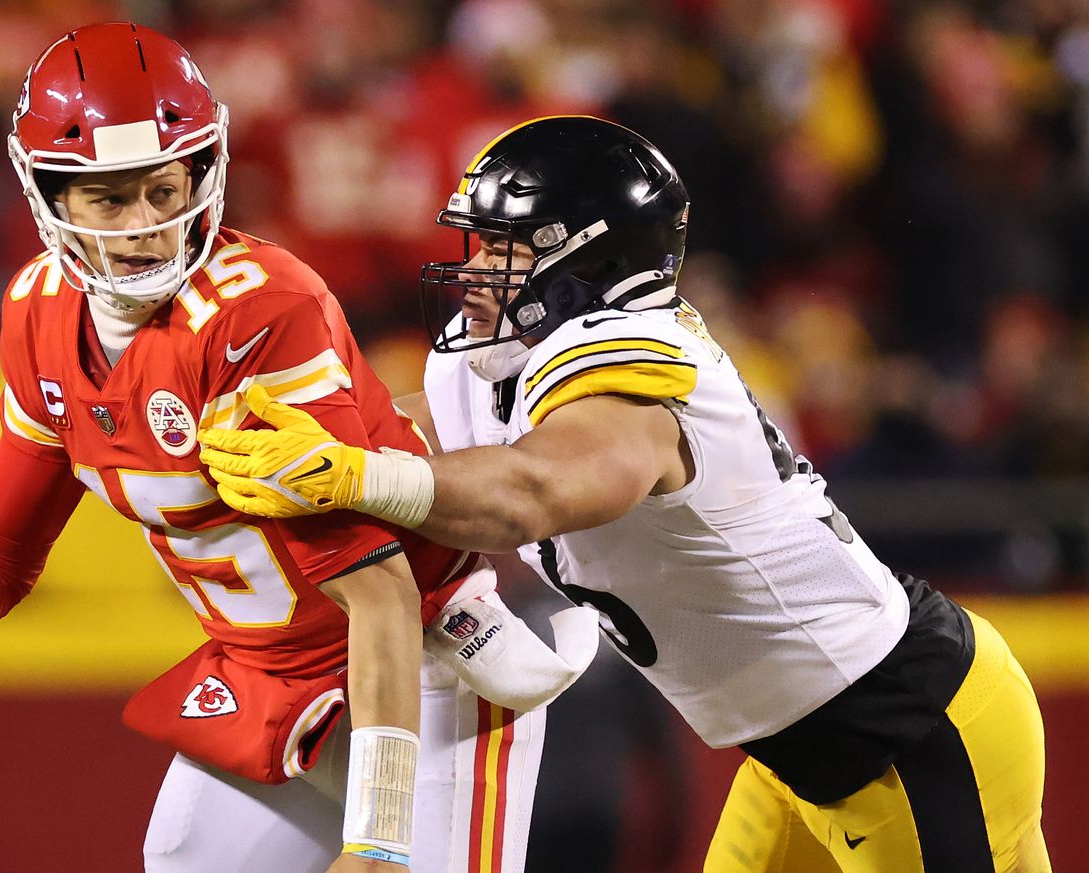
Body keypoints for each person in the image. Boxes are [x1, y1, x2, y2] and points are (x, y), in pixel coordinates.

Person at [198, 116, 1052, 873]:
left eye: (505, 249)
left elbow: (539, 488)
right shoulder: (497, 364)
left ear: (591, 262)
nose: (476, 272)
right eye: (479, 245)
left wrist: (359, 474)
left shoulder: (631, 364)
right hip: (804, 755)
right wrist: (312, 433)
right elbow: (429, 443)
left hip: (905, 732)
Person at [0, 24, 573, 873]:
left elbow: (382, 592)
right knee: (185, 856)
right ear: (52, 199)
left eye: (163, 190)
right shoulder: (37, 314)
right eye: (110, 199)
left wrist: (381, 838)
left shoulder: (255, 315)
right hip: (266, 673)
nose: (147, 227)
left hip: (418, 664)